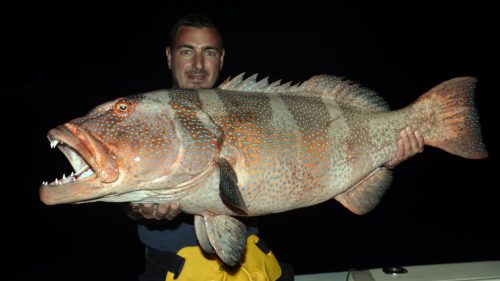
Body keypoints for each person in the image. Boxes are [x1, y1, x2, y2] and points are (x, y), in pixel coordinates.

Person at [128, 14, 424, 281]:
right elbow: (126, 188)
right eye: (186, 51)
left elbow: (322, 161)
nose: (197, 64)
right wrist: (139, 209)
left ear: (221, 59)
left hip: (255, 263)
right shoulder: (149, 119)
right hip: (176, 270)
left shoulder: (248, 107)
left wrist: (385, 155)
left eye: (209, 52)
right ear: (169, 57)